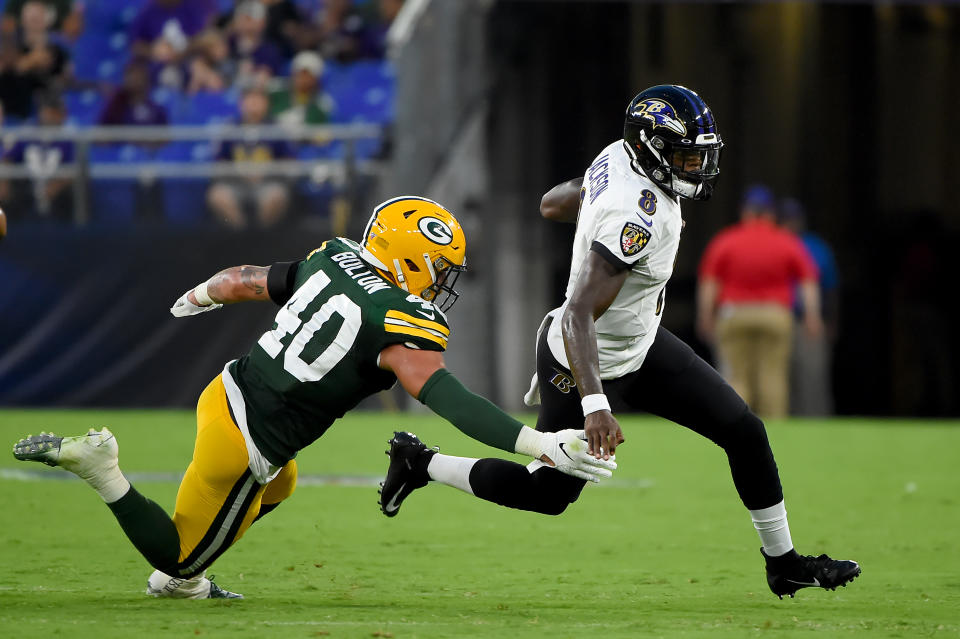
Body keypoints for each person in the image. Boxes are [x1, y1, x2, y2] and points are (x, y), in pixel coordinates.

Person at [378, 85, 860, 599]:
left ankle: (782, 564)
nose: (695, 167)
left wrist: (594, 204)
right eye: (684, 155)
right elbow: (579, 313)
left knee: (744, 431)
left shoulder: (619, 158)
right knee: (548, 495)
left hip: (640, 346)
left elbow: (550, 204)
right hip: (581, 358)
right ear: (651, 149)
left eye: (700, 155)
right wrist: (594, 404)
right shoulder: (638, 219)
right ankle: (420, 462)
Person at [12, 196, 615, 599]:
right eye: (437, 268)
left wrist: (200, 296)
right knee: (178, 559)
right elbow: (448, 398)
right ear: (410, 257)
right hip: (249, 440)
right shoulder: (400, 320)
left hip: (227, 393)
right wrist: (538, 441)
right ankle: (106, 476)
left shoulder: (334, 262)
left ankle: (194, 557)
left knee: (283, 483)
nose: (440, 282)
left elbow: (244, 279)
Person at [696, 184, 822, 419]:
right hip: (775, 314)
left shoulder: (726, 240)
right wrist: (811, 316)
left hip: (734, 314)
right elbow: (808, 282)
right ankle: (773, 434)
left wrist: (705, 316)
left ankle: (735, 427)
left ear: (745, 212)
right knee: (772, 376)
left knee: (736, 377)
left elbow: (709, 282)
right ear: (770, 214)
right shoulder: (786, 241)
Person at [779, 197, 839, 416]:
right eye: (786, 220)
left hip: (808, 321)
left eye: (794, 219)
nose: (791, 224)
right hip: (780, 318)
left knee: (812, 377)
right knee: (780, 379)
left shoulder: (816, 247)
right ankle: (786, 427)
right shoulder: (775, 243)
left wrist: (831, 320)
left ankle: (817, 424)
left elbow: (831, 288)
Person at [206, 87, 292, 229]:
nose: (254, 105)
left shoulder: (276, 128)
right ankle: (241, 234)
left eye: (258, 100)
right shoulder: (230, 128)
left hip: (268, 182)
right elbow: (219, 161)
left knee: (276, 197)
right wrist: (238, 172)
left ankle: (262, 237)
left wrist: (268, 171)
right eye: (250, 100)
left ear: (266, 103)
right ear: (241, 103)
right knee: (217, 196)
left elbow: (289, 162)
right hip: (236, 182)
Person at [0, 90, 74, 222]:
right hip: (27, 187)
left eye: (55, 112)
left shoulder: (68, 137)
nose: (50, 116)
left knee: (69, 196)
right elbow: (7, 159)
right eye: (48, 112)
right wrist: (4, 182)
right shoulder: (27, 131)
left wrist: (56, 186)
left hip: (57, 191)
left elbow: (74, 168)